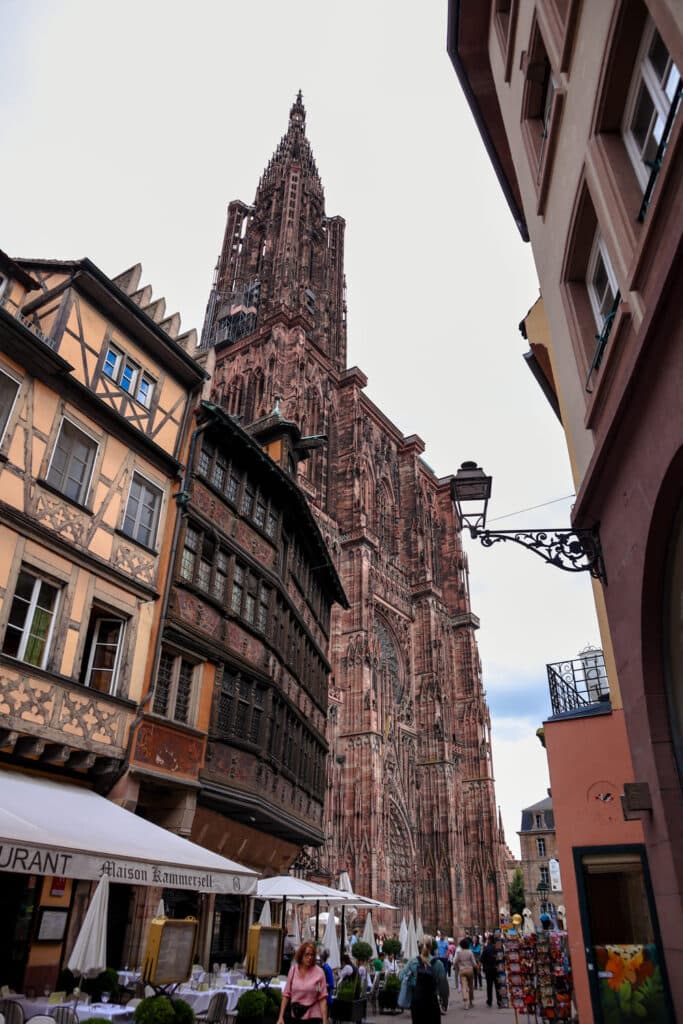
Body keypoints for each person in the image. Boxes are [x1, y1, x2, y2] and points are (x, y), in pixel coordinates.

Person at [401, 936, 448, 1024]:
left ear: (419, 946)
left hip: (417, 1001)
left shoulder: (412, 962)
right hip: (432, 1001)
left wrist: (412, 980)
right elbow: (443, 986)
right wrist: (445, 1002)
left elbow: (401, 976)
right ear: (431, 946)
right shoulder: (438, 964)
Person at [278, 941, 328, 1024]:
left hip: (313, 1017)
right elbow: (286, 994)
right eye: (307, 954)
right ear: (301, 955)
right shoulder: (293, 971)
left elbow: (322, 997)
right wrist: (280, 1017)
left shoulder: (319, 973)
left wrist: (325, 1021)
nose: (310, 957)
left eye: (312, 955)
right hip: (295, 1016)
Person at [454, 937, 477, 1009]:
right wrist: (476, 967)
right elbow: (474, 963)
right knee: (470, 986)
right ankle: (471, 1002)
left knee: (464, 987)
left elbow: (455, 962)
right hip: (470, 970)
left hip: (462, 971)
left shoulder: (459, 953)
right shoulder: (470, 952)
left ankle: (465, 1003)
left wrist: (456, 966)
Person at [480, 936, 502, 1008]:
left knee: (489, 986)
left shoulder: (486, 948)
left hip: (488, 970)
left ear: (489, 940)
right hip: (497, 969)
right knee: (498, 986)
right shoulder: (499, 948)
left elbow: (482, 959)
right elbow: (502, 958)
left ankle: (489, 1001)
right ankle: (499, 1001)